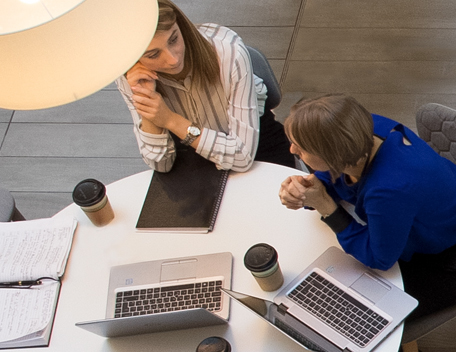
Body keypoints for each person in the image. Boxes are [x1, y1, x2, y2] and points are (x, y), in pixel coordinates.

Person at [278, 93, 456, 323]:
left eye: (301, 147)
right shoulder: (360, 130)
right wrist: (310, 189)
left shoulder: (389, 190)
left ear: (332, 154)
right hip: (422, 210)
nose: (292, 150)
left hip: (443, 256)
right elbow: (337, 176)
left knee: (358, 316)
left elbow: (379, 258)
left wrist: (326, 206)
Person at [116, 0, 294, 173]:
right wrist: (146, 104)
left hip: (257, 141)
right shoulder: (133, 76)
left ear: (181, 25)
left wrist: (170, 120)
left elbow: (242, 157)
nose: (173, 59)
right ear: (134, 59)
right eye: (153, 55)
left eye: (174, 39)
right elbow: (161, 165)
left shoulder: (229, 53)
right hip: (191, 152)